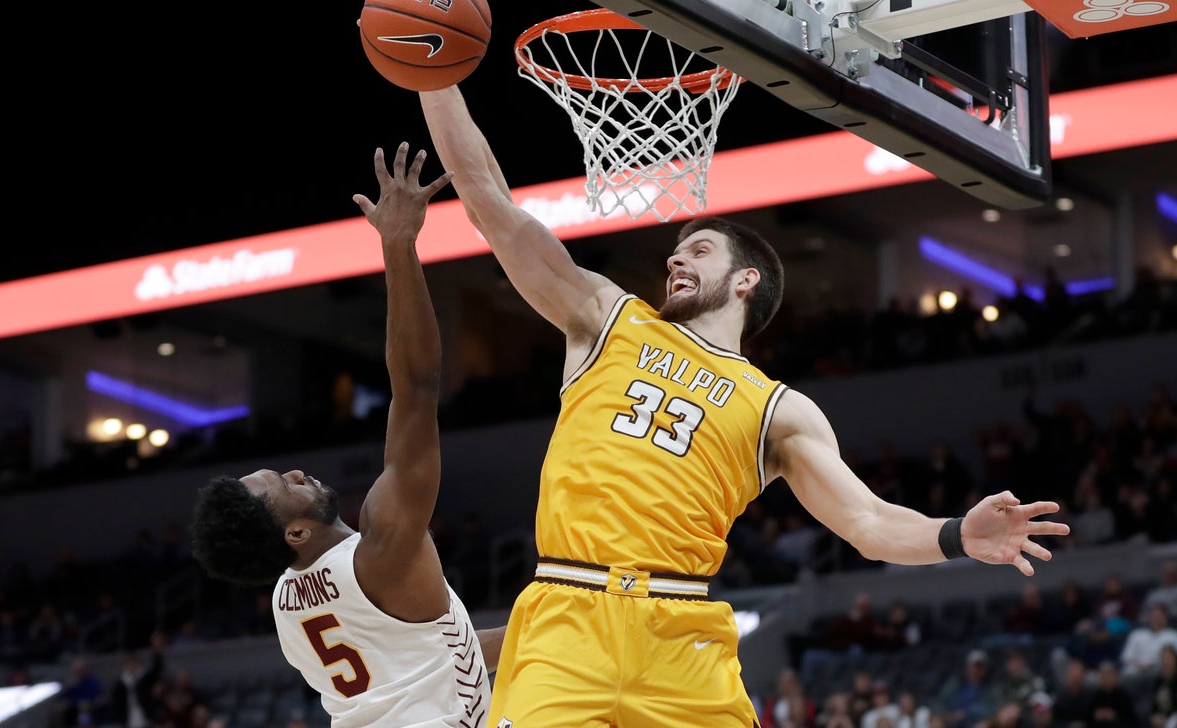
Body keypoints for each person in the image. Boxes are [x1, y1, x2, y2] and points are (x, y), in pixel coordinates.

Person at [419, 84, 1071, 728]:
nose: (676, 259)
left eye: (699, 250)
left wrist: (956, 534)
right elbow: (489, 201)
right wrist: (435, 75)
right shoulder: (607, 318)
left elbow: (868, 520)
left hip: (681, 634)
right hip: (567, 611)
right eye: (675, 253)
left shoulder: (779, 409)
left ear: (745, 279)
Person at [189, 144, 504, 727]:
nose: (296, 473)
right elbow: (416, 387)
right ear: (296, 531)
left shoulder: (287, 605)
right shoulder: (382, 547)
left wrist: (555, 629)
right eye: (282, 486)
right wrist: (398, 245)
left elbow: (430, 662)